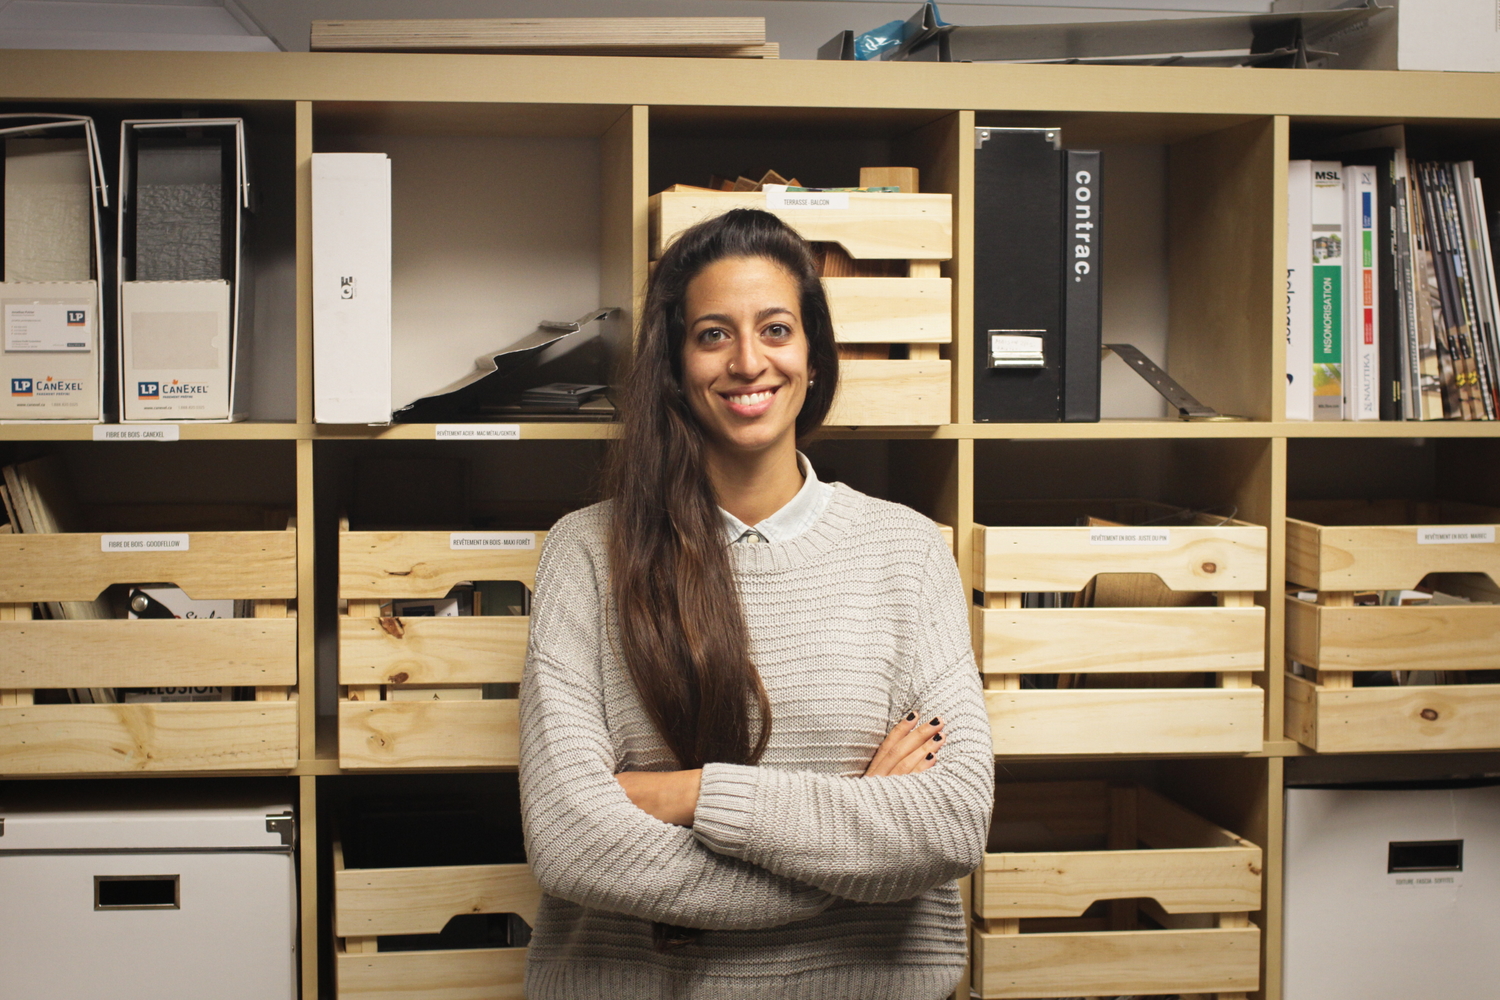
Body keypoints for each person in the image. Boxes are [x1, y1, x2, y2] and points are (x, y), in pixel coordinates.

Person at [518, 207, 993, 999]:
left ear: (812, 354)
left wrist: (690, 792)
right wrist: (863, 849)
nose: (748, 362)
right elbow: (574, 843)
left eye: (775, 329)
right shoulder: (587, 552)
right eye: (713, 335)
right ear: (674, 363)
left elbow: (950, 822)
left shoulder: (906, 551)